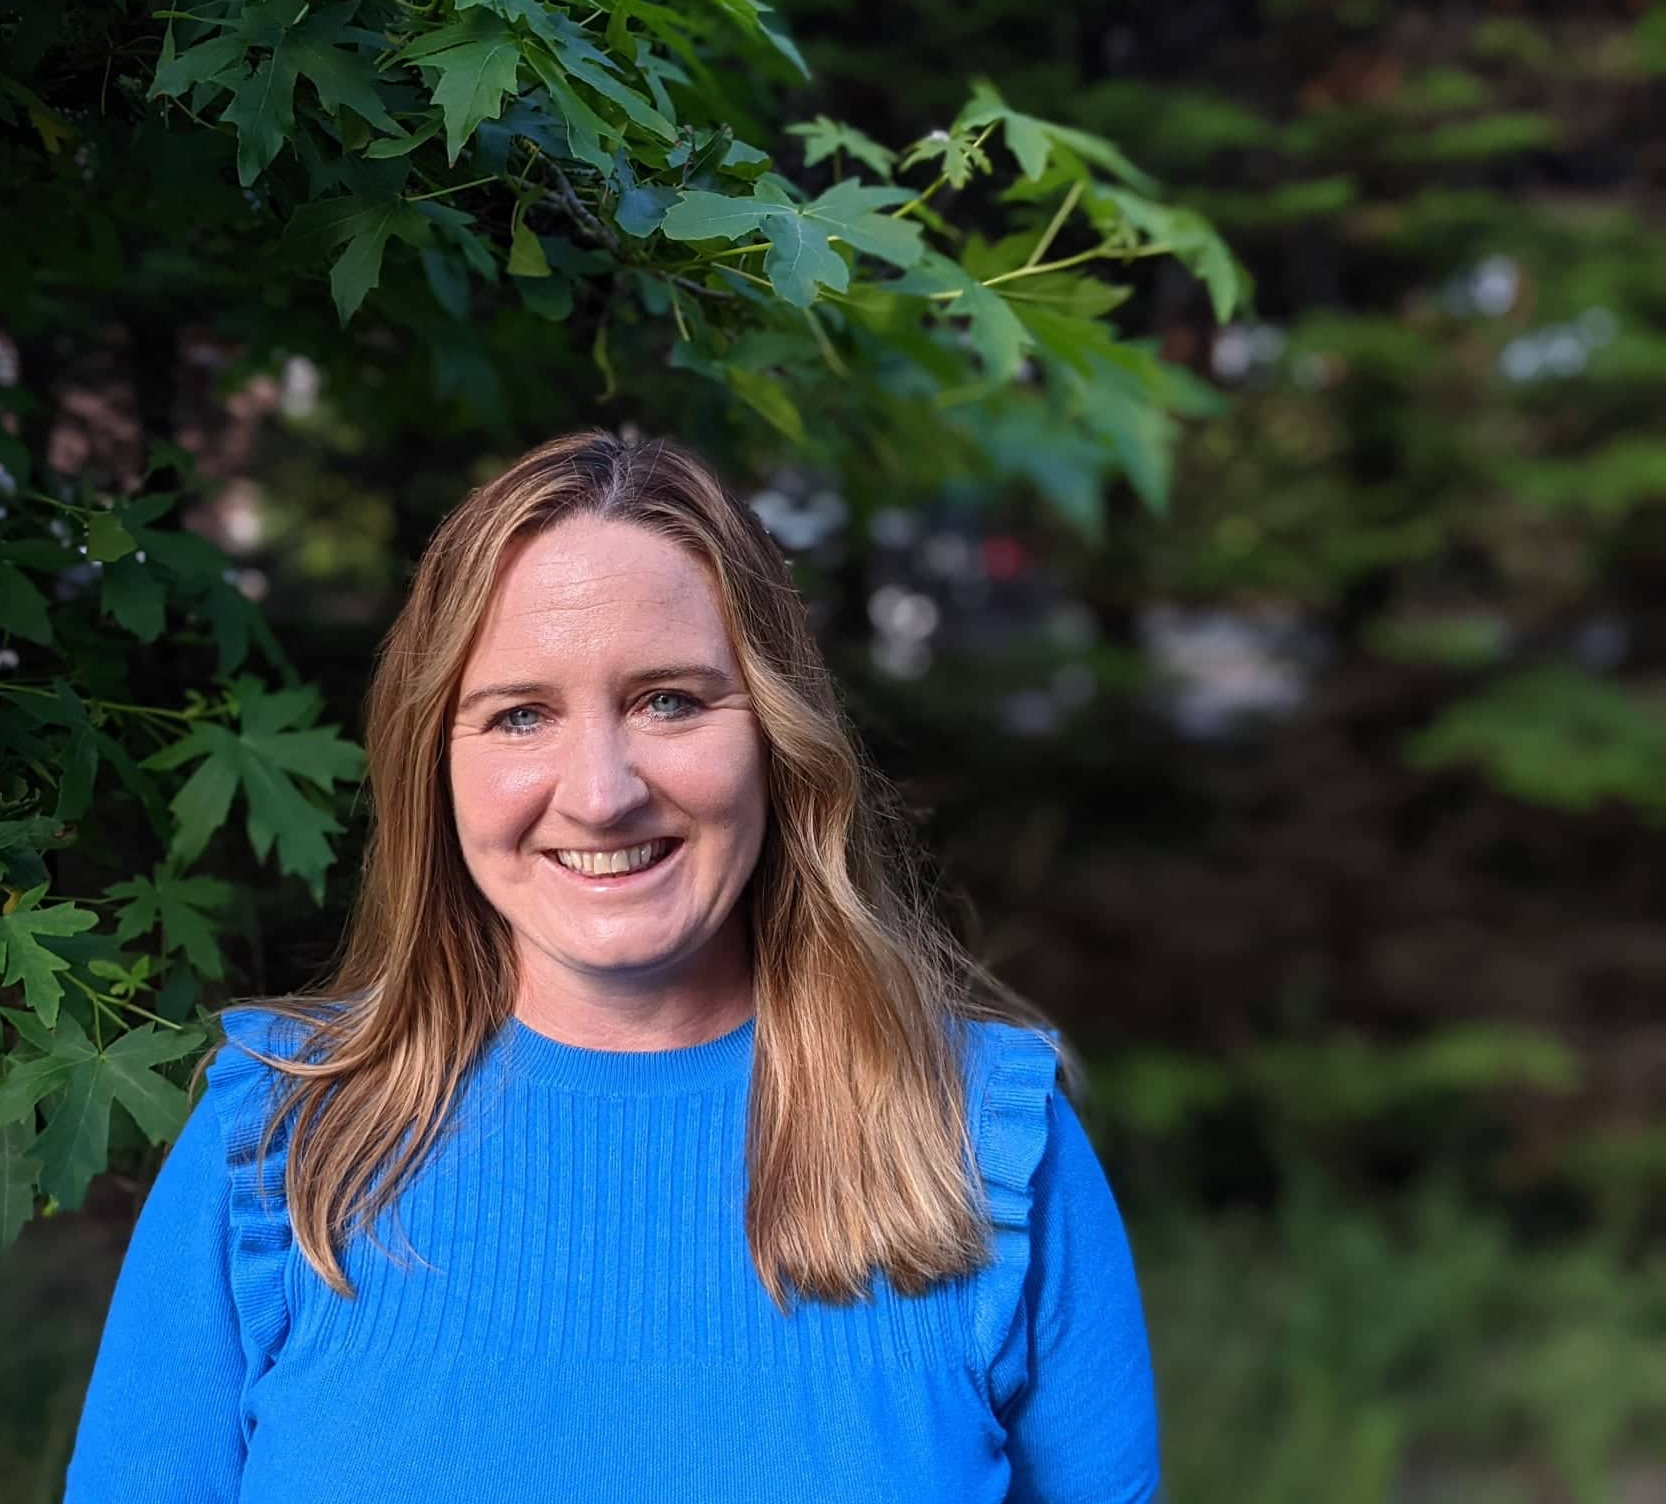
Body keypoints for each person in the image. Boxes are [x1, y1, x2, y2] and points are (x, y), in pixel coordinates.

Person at [63, 429, 1161, 1502]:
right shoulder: (280, 1148)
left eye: (669, 701)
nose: (601, 792)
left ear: (780, 735)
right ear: (431, 763)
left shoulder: (983, 1147)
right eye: (521, 715)